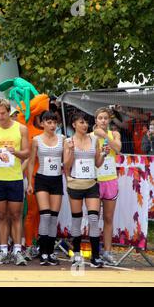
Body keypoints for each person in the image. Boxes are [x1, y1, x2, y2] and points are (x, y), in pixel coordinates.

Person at [0, 98, 30, 266]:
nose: (0, 116)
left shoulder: (21, 129)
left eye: (3, 113)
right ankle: (3, 250)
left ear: (8, 111)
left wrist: (14, 151)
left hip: (15, 177)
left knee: (16, 215)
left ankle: (17, 250)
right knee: (0, 215)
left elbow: (26, 153)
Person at [64, 112, 106, 268]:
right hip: (75, 184)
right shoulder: (68, 141)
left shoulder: (94, 139)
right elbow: (66, 165)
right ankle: (76, 254)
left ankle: (95, 256)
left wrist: (103, 154)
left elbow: (98, 163)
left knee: (94, 218)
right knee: (77, 219)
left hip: (91, 183)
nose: (85, 125)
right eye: (81, 122)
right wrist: (70, 151)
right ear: (74, 124)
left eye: (86, 122)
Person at [27, 111, 64, 266]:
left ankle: (50, 251)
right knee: (45, 215)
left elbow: (67, 160)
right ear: (42, 123)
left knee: (54, 216)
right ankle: (43, 251)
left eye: (54, 122)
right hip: (42, 178)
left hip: (56, 179)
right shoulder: (36, 140)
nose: (52, 125)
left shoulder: (63, 139)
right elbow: (30, 162)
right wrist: (29, 182)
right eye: (48, 122)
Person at [92, 107, 122, 265]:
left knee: (108, 217)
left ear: (109, 120)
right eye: (100, 118)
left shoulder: (114, 134)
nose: (103, 120)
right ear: (95, 120)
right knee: (94, 217)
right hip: (95, 180)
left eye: (105, 118)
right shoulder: (90, 136)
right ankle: (95, 252)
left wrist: (104, 135)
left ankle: (108, 252)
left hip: (110, 179)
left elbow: (118, 148)